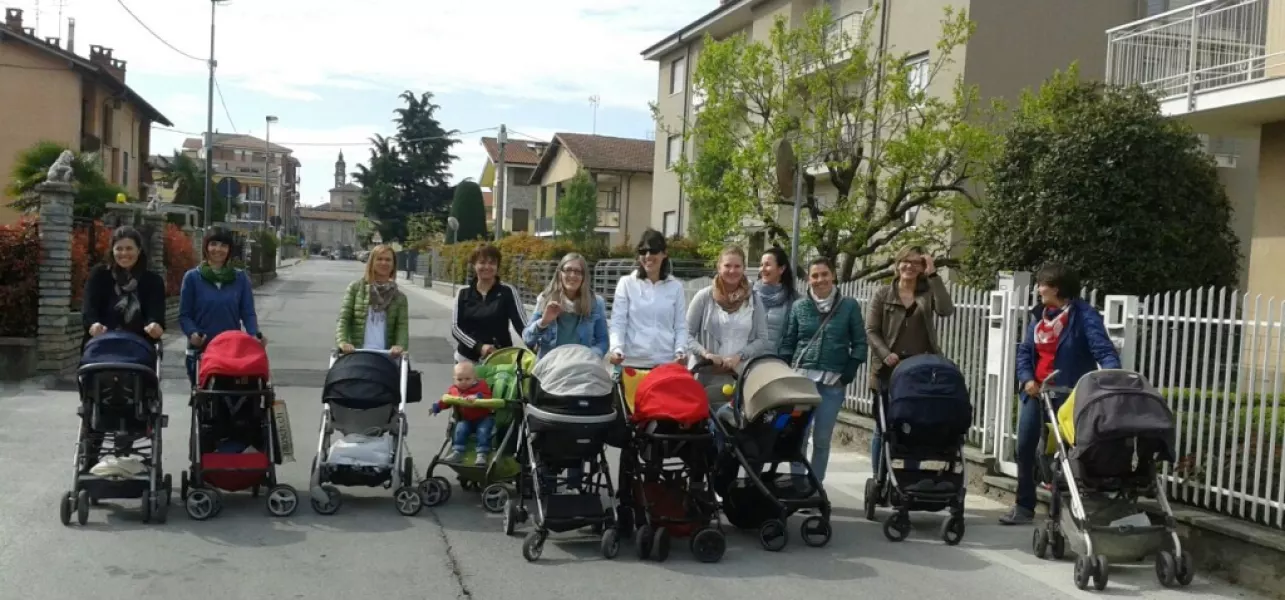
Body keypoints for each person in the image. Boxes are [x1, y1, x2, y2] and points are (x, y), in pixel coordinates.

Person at [999, 263, 1121, 525]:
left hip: (1069, 395)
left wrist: (1111, 376)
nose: (1038, 289)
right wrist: (1027, 379)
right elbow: (1024, 353)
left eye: (1042, 284)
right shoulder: (1039, 316)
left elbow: (1103, 350)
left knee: (1068, 455)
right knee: (1025, 446)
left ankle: (1062, 511)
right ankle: (1024, 506)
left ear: (1056, 288)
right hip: (1036, 392)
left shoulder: (1085, 316)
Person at [80, 225, 166, 474]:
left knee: (136, 401)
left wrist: (154, 325)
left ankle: (126, 455)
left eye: (129, 248)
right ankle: (90, 459)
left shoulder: (151, 281)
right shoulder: (100, 276)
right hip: (102, 351)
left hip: (136, 354)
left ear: (139, 250)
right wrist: (93, 324)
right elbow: (88, 309)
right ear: (112, 251)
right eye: (119, 249)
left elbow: (157, 314)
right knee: (95, 403)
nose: (124, 253)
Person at [864, 245, 955, 479]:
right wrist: (885, 354)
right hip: (887, 370)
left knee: (914, 427)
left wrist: (933, 274)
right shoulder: (883, 294)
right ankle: (879, 478)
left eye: (917, 263)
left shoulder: (927, 294)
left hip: (918, 372)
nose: (910, 267)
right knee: (883, 428)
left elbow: (946, 309)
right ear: (897, 264)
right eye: (906, 261)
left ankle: (907, 477)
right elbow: (871, 330)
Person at [778, 257, 867, 484]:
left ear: (833, 276)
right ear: (808, 279)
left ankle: (815, 487)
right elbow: (789, 342)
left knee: (822, 438)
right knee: (797, 435)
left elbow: (860, 343)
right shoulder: (799, 306)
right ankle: (797, 484)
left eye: (824, 274)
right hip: (802, 383)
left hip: (832, 384)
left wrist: (848, 373)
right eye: (815, 276)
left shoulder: (849, 306)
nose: (820, 280)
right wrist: (783, 372)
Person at [178, 227, 263, 386]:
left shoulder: (240, 278)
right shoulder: (192, 278)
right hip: (202, 348)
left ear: (229, 250)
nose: (218, 249)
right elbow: (184, 315)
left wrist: (253, 335)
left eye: (223, 245)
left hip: (231, 350)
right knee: (204, 399)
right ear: (206, 247)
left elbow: (248, 313)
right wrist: (192, 333)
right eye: (214, 244)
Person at [687, 245, 770, 387]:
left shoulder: (754, 299)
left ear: (744, 268)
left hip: (740, 376)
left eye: (737, 266)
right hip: (706, 376)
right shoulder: (704, 297)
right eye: (727, 266)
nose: (732, 271)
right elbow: (685, 334)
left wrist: (739, 356)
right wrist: (706, 354)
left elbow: (762, 339)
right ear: (719, 268)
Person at [608, 229, 688, 368]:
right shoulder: (626, 283)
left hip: (665, 363)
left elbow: (680, 325)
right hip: (633, 362)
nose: (648, 256)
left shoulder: (676, 287)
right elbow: (618, 321)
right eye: (643, 251)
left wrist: (680, 350)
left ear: (664, 253)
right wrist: (616, 348)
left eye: (653, 251)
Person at [522, 252, 609, 358]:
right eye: (568, 270)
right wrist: (543, 322)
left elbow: (603, 342)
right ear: (560, 274)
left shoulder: (596, 303)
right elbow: (527, 339)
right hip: (550, 367)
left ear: (584, 276)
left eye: (577, 271)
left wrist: (588, 356)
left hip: (581, 367)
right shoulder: (546, 299)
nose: (572, 275)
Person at [451, 244, 527, 364]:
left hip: (500, 361)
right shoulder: (463, 293)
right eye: (482, 262)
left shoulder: (508, 292)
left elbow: (523, 325)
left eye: (492, 263)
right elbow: (456, 328)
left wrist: (536, 346)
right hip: (467, 363)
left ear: (497, 266)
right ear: (474, 265)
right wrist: (479, 347)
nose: (487, 266)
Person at [335, 244, 409, 355]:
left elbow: (402, 327)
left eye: (388, 260)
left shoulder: (399, 298)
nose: (383, 263)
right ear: (371, 262)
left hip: (386, 356)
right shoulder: (355, 289)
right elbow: (344, 319)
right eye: (379, 259)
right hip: (357, 354)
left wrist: (400, 346)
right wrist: (343, 341)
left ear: (393, 265)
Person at [432, 361, 495, 466]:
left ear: (474, 377)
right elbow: (446, 400)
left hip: (483, 418)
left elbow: (488, 396)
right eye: (459, 379)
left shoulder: (481, 385)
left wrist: (477, 397)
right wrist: (437, 407)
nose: (463, 382)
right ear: (454, 379)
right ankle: (458, 452)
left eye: (467, 379)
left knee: (483, 431)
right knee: (460, 429)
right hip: (466, 419)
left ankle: (482, 453)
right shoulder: (454, 389)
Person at [755, 247, 797, 350]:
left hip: (777, 361)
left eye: (767, 265)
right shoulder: (749, 294)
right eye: (761, 265)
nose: (763, 269)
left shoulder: (794, 300)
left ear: (781, 269)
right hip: (747, 360)